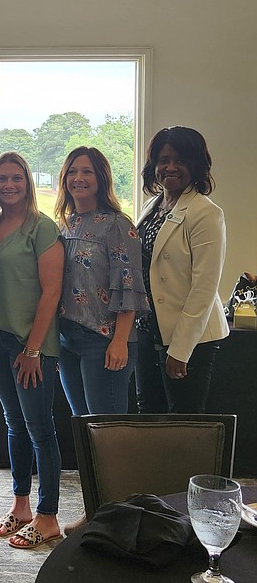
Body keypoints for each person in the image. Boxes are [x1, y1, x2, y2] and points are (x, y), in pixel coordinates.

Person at [0, 151, 63, 550]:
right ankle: (21, 507)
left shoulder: (41, 228)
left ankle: (48, 517)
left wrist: (32, 349)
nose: (9, 185)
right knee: (13, 423)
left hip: (30, 347)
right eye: (1, 178)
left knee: (40, 429)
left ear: (27, 182)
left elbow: (52, 292)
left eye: (16, 178)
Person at [134, 126, 228, 414]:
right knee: (148, 413)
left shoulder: (205, 212)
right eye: (164, 160)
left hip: (189, 338)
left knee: (183, 421)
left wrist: (180, 350)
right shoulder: (154, 206)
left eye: (181, 161)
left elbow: (204, 288)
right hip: (149, 331)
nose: (170, 167)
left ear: (196, 166)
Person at [55, 146, 149, 416]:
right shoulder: (66, 223)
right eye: (72, 172)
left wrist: (120, 341)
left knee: (106, 431)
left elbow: (129, 284)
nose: (78, 178)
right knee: (82, 425)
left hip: (104, 340)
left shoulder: (117, 224)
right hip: (67, 338)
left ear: (101, 178)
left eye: (87, 171)